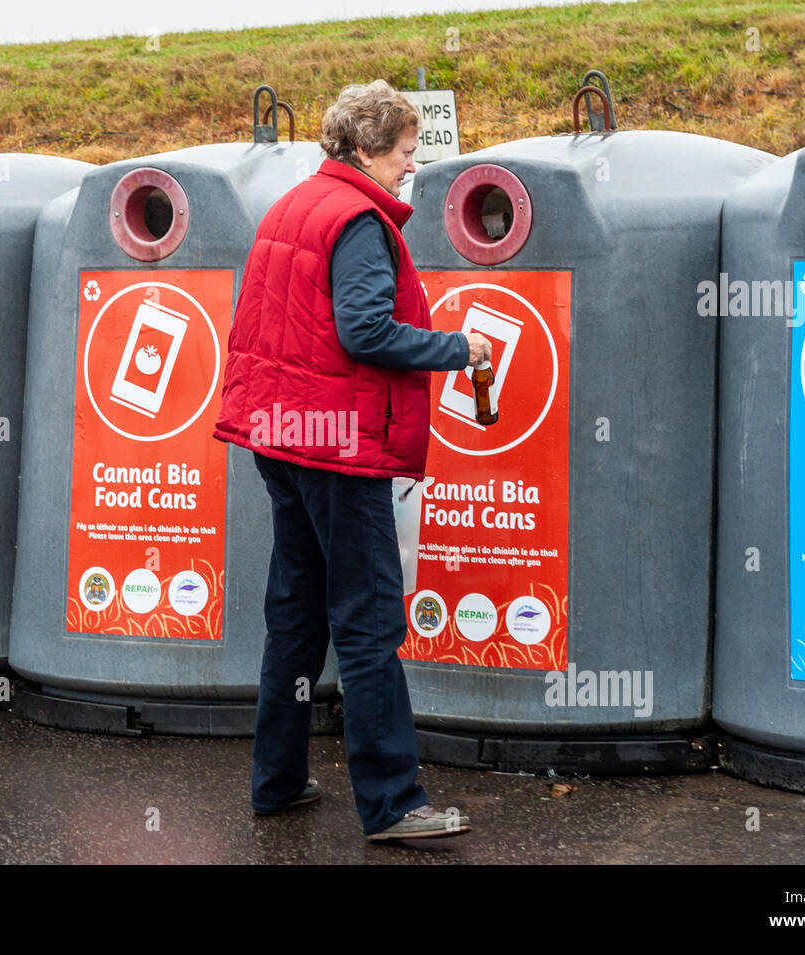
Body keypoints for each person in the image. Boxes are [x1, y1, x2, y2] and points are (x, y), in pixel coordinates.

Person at [213, 79, 491, 841]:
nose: (411, 167)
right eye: (405, 152)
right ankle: (394, 803)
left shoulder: (294, 205)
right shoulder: (360, 220)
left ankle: (276, 780)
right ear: (366, 149)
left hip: (282, 436)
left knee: (296, 616)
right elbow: (366, 331)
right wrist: (456, 349)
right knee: (368, 626)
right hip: (338, 445)